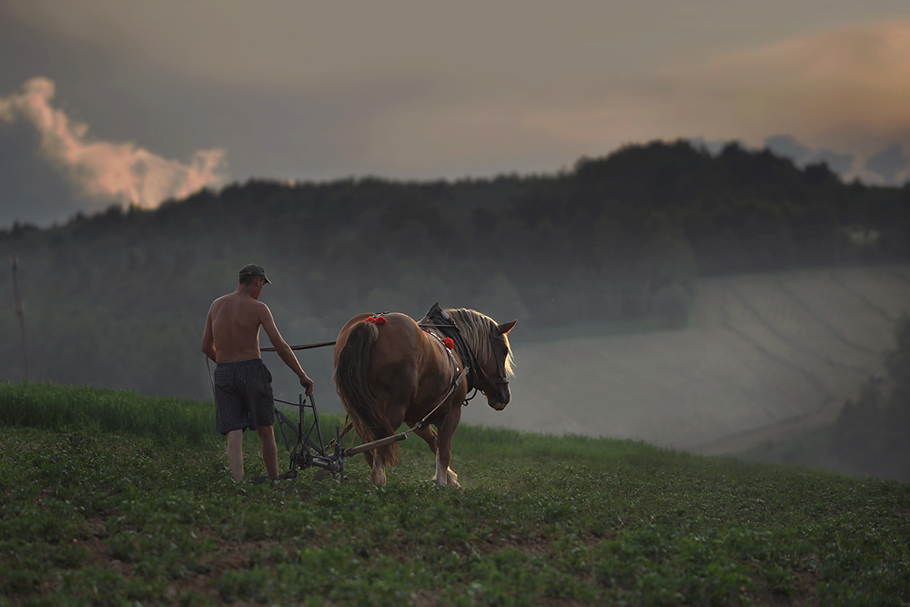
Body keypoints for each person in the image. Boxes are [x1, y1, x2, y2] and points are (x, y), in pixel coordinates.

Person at [201, 263, 314, 481]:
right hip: (252, 371)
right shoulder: (258, 308)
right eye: (262, 285)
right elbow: (280, 346)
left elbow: (206, 346)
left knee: (233, 432)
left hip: (224, 372)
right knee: (265, 429)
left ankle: (238, 482)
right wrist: (302, 375)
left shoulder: (216, 305)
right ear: (257, 282)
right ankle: (273, 480)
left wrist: (225, 362)